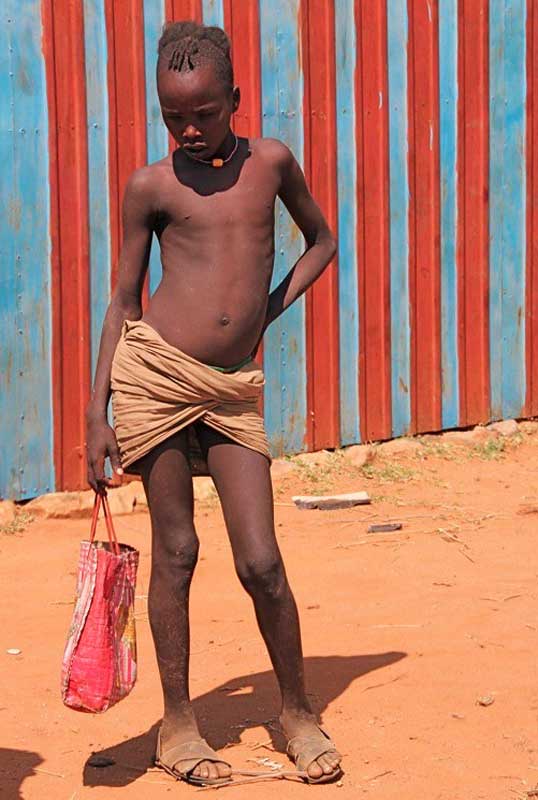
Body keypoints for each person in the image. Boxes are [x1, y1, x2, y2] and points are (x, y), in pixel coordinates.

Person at [86, 20, 341, 787]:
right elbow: (123, 300)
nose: (188, 130)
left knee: (260, 560)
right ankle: (177, 726)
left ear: (235, 97)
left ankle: (298, 713)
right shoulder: (151, 187)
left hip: (231, 392)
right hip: (157, 377)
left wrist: (267, 310)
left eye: (202, 112)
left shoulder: (270, 164)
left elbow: (322, 241)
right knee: (178, 551)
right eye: (172, 117)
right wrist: (96, 412)